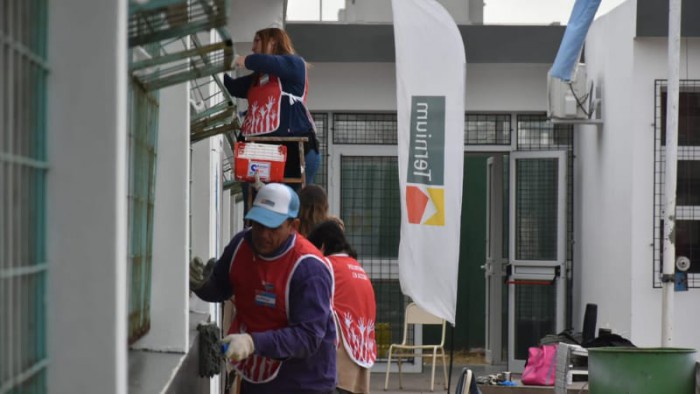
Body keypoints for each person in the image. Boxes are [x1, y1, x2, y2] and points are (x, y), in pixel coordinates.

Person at [190, 183, 336, 394]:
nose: (263, 235)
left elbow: (308, 337)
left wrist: (252, 342)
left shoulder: (308, 268)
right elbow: (221, 288)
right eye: (258, 225)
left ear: (293, 225)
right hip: (259, 376)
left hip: (306, 383)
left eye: (273, 227)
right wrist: (202, 285)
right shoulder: (241, 245)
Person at [224, 27, 320, 188]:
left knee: (287, 204)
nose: (253, 48)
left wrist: (242, 60)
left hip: (295, 148)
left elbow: (266, 61)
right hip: (262, 148)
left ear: (273, 41)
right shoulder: (259, 78)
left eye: (257, 41)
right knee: (255, 201)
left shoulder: (295, 64)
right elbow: (233, 87)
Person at [307, 220, 377, 394]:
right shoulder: (358, 269)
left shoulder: (327, 266)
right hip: (360, 357)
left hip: (337, 362)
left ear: (322, 246)